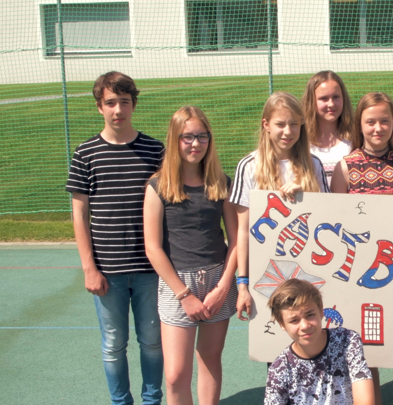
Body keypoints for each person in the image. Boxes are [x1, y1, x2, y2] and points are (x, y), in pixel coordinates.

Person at [65, 71, 164, 405]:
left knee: (152, 342)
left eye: (124, 101)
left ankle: (152, 400)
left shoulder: (155, 150)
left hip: (150, 269)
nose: (118, 109)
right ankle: (121, 402)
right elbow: (79, 215)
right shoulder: (85, 153)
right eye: (110, 103)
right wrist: (89, 268)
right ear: (99, 106)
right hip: (108, 271)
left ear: (134, 104)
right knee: (113, 344)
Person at [143, 106, 252, 405]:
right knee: (175, 374)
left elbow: (236, 240)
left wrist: (224, 286)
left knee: (210, 360)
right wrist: (184, 295)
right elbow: (152, 248)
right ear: (174, 140)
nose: (195, 144)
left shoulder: (222, 184)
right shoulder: (157, 187)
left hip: (218, 280)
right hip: (177, 286)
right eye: (187, 137)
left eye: (202, 136)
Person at [331, 92, 393, 405]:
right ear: (359, 124)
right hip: (361, 276)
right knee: (365, 351)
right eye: (370, 121)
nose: (378, 127)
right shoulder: (345, 167)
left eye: (384, 120)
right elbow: (336, 223)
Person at [228, 91, 329, 305]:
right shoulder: (249, 166)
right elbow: (243, 231)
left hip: (309, 268)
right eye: (280, 124)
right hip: (265, 271)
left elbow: (328, 220)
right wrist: (243, 283)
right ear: (266, 124)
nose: (288, 131)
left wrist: (307, 191)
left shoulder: (314, 165)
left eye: (294, 124)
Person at [264, 279, 375, 405]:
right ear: (282, 324)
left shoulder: (347, 340)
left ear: (321, 311)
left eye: (310, 315)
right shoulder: (278, 370)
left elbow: (365, 400)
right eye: (294, 320)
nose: (305, 326)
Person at [302, 70, 355, 186]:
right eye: (324, 98)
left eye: (336, 97)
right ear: (311, 101)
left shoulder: (355, 140)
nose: (331, 104)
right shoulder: (301, 142)